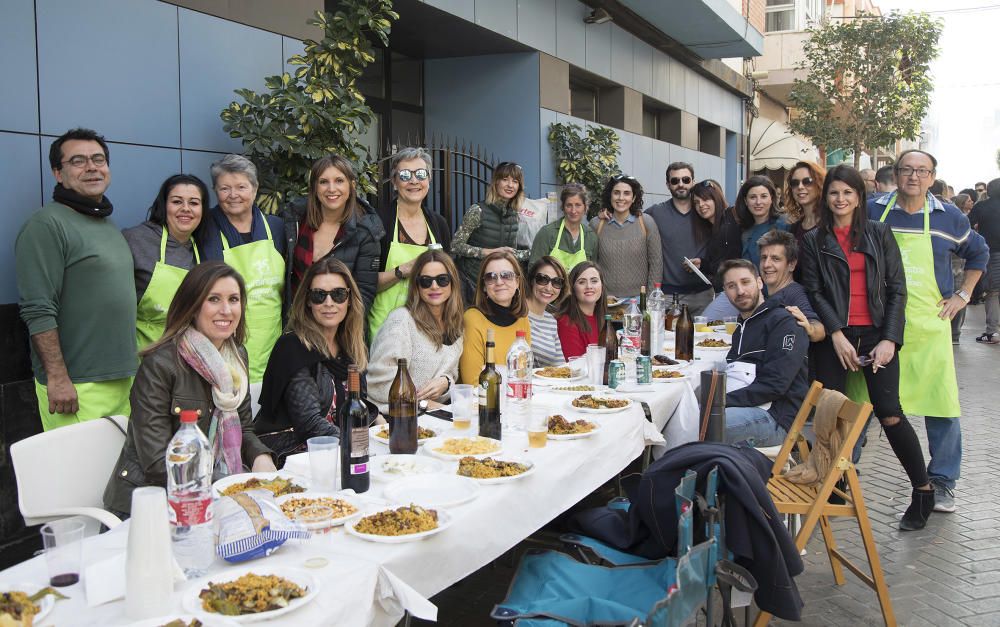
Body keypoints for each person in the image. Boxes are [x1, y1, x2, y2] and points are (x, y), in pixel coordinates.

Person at [801, 165, 935, 530]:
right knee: (830, 415)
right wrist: (836, 334)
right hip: (837, 338)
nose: (841, 199)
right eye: (834, 193)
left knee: (890, 414)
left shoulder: (879, 233)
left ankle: (923, 491)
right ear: (826, 197)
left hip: (877, 335)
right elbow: (814, 291)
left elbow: (897, 290)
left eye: (847, 192)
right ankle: (833, 486)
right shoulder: (814, 239)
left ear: (859, 196)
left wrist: (891, 338)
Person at [869, 149, 989, 513]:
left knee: (941, 402)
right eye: (907, 169)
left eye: (922, 171)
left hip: (927, 324)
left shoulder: (949, 217)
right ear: (897, 173)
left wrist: (963, 295)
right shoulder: (873, 210)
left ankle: (942, 481)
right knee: (861, 398)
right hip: (879, 322)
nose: (914, 177)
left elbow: (979, 254)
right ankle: (840, 471)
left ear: (933, 176)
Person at [103, 262, 276, 515]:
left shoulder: (236, 357)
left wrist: (261, 458)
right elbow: (157, 462)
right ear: (192, 306)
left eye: (234, 299)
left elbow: (245, 428)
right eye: (214, 299)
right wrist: (226, 488)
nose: (226, 310)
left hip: (216, 496)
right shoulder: (160, 365)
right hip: (150, 505)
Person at [15, 128, 136, 431]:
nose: (92, 167)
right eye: (78, 161)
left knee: (117, 478)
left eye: (98, 159)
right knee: (80, 478)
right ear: (58, 172)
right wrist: (57, 377)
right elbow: (38, 309)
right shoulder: (46, 225)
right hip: (77, 387)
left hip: (122, 380)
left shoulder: (107, 224)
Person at [254, 257, 379, 466]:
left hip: (338, 454)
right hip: (295, 458)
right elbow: (310, 424)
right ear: (308, 301)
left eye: (338, 294)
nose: (329, 303)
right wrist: (361, 443)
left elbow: (358, 405)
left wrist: (379, 423)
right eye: (319, 295)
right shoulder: (292, 347)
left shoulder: (351, 346)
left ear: (349, 299)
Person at [197, 154, 286, 383]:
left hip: (272, 344)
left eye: (241, 187)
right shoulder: (203, 229)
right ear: (215, 191)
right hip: (221, 343)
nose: (233, 195)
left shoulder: (276, 228)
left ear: (255, 189)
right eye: (225, 188)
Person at [718, 259, 808, 448]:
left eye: (745, 282)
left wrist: (721, 402)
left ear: (759, 283)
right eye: (731, 286)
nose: (740, 291)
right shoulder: (741, 327)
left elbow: (775, 384)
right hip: (744, 409)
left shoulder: (784, 322)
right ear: (725, 293)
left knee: (711, 424)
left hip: (774, 419)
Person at [282, 155, 383, 316]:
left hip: (340, 329)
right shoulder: (296, 222)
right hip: (297, 324)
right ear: (315, 188)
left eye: (339, 181)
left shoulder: (365, 231)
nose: (331, 188)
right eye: (323, 182)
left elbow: (364, 294)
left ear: (352, 186)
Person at [369, 147, 451, 339]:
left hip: (430, 328)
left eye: (421, 174)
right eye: (405, 175)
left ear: (429, 180)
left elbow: (449, 279)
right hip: (386, 330)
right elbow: (364, 283)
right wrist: (403, 270)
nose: (414, 181)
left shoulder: (439, 224)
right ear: (395, 183)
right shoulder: (378, 222)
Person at [368, 250, 464, 412]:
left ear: (452, 283)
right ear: (416, 286)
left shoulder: (455, 323)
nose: (434, 286)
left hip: (437, 415)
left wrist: (446, 382)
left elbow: (451, 372)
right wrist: (422, 404)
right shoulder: (401, 321)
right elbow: (378, 385)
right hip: (397, 418)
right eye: (426, 281)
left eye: (442, 280)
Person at [124, 174, 207, 348]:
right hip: (145, 353)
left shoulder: (206, 247)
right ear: (164, 205)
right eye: (177, 202)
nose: (186, 208)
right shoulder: (136, 239)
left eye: (194, 203)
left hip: (190, 354)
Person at [452, 162, 529, 301]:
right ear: (496, 183)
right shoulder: (478, 210)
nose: (510, 185)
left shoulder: (514, 215)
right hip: (470, 282)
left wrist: (535, 253)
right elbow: (455, 246)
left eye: (515, 181)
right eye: (505, 179)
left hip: (497, 285)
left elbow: (510, 254)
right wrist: (487, 252)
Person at [646, 163, 714, 313]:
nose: (681, 184)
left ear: (693, 182)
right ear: (667, 185)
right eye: (675, 181)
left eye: (686, 180)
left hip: (704, 295)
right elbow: (631, 220)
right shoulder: (655, 213)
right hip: (669, 296)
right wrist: (607, 213)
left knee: (706, 337)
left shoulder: (705, 211)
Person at [459, 251, 532, 384]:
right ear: (484, 287)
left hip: (516, 400)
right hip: (483, 402)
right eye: (491, 277)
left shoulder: (523, 319)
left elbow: (524, 375)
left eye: (507, 275)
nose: (499, 282)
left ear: (517, 282)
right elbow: (473, 382)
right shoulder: (473, 318)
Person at [591, 174, 662, 300]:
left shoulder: (646, 223)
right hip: (605, 300)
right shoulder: (597, 224)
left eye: (627, 193)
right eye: (616, 193)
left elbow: (656, 264)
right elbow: (591, 264)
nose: (621, 198)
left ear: (634, 197)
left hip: (639, 300)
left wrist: (650, 299)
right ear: (610, 195)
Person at [757, 230, 825, 342]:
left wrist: (810, 328)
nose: (766, 264)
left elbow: (819, 331)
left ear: (791, 265)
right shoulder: (763, 292)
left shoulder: (794, 293)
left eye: (775, 259)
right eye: (764, 257)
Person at [529, 183, 598, 271]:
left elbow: (593, 272)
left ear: (585, 207)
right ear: (563, 207)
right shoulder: (547, 233)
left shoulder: (591, 237)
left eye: (578, 205)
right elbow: (533, 269)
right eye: (569, 205)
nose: (573, 211)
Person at [691, 180, 741, 291]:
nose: (701, 205)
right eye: (696, 202)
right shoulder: (709, 229)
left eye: (705, 199)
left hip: (737, 288)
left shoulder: (732, 216)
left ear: (716, 198)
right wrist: (702, 264)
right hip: (721, 289)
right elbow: (720, 264)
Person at [968, 178, 1000, 344]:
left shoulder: (982, 206)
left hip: (992, 253)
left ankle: (992, 332)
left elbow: (967, 225)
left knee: (993, 293)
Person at [557, 262, 608, 360]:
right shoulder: (566, 322)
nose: (589, 286)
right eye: (582, 282)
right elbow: (574, 365)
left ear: (602, 285)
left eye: (594, 281)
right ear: (572, 288)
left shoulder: (601, 318)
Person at [735, 176, 788, 268]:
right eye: (753, 197)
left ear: (771, 198)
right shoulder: (743, 230)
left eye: (763, 196)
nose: (758, 202)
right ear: (745, 201)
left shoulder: (784, 224)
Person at [525, 256, 568, 367]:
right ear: (531, 280)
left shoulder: (551, 321)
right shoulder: (518, 311)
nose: (549, 288)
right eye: (542, 279)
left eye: (557, 282)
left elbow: (560, 367)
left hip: (546, 383)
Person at [782, 161, 826, 249]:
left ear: (820, 184)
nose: (800, 187)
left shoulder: (830, 224)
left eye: (807, 181)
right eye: (795, 183)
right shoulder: (793, 229)